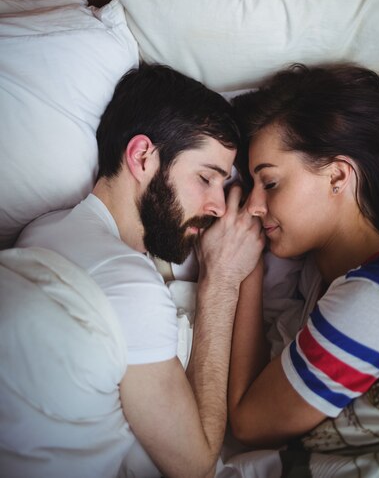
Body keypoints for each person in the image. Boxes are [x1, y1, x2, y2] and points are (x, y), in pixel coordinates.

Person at [16, 64, 264, 478]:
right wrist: (220, 282)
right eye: (206, 178)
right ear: (142, 156)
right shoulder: (128, 283)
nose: (219, 206)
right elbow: (196, 463)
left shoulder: (38, 232)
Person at [228, 63, 379, 453]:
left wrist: (241, 268)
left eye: (270, 182)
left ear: (336, 177)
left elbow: (248, 423)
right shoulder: (335, 290)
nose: (253, 206)